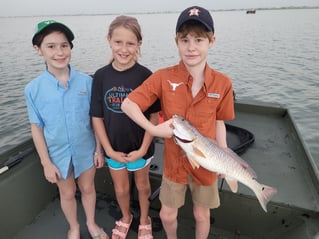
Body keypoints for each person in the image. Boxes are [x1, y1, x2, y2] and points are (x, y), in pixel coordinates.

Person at [121, 6, 235, 239]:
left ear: (211, 41)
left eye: (199, 39)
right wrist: (153, 129)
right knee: (166, 215)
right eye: (185, 40)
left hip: (208, 162)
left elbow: (220, 121)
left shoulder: (223, 83)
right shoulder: (163, 76)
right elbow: (128, 104)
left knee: (202, 215)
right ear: (177, 42)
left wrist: (224, 154)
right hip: (174, 165)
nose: (191, 47)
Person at [24, 20, 109, 239]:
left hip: (87, 149)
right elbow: (37, 128)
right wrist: (45, 163)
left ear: (70, 48)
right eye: (51, 46)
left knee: (88, 188)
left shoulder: (86, 82)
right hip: (57, 154)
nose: (59, 52)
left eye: (64, 45)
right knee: (67, 192)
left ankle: (91, 223)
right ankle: (74, 226)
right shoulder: (32, 89)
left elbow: (95, 119)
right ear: (38, 50)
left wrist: (99, 150)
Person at [90, 16, 160, 239]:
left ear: (139, 44)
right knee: (121, 189)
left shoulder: (146, 75)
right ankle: (126, 216)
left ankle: (145, 219)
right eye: (118, 42)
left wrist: (143, 149)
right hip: (114, 150)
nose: (124, 49)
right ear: (109, 40)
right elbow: (97, 116)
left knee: (142, 186)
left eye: (130, 43)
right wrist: (106, 150)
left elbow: (154, 116)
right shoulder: (101, 76)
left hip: (140, 149)